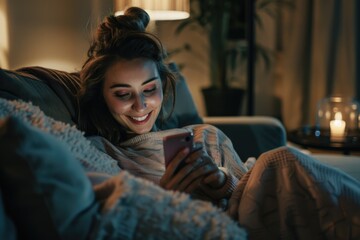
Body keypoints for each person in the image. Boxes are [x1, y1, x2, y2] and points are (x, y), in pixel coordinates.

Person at [77, 6, 245, 209]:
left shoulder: (208, 138)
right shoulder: (97, 154)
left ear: (162, 86)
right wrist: (164, 197)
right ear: (100, 95)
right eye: (123, 94)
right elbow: (116, 221)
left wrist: (221, 181)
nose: (140, 106)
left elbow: (252, 197)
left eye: (149, 89)